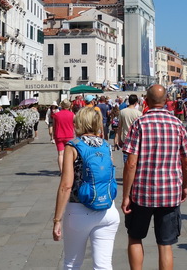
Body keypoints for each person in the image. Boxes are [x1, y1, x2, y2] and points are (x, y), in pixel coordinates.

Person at [122, 85, 187, 270]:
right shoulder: (177, 124)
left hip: (142, 193)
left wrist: (126, 195)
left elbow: (131, 163)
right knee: (165, 244)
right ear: (166, 101)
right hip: (170, 192)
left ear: (145, 100)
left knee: (135, 237)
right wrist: (185, 186)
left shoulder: (140, 124)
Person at [52, 107, 120, 269]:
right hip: (107, 210)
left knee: (72, 264)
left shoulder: (73, 146)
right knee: (103, 265)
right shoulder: (105, 145)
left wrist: (57, 220)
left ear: (78, 123)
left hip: (78, 211)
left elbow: (66, 186)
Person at [115, 94, 142, 163]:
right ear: (136, 102)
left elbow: (120, 127)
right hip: (136, 139)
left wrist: (119, 139)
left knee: (126, 161)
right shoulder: (139, 113)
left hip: (125, 138)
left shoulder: (122, 112)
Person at [53, 100, 77, 172]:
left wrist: (54, 135)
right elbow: (76, 126)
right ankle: (70, 169)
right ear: (69, 106)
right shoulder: (72, 115)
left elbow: (54, 126)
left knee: (60, 154)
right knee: (71, 153)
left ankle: (61, 170)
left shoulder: (56, 115)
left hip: (59, 135)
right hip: (69, 136)